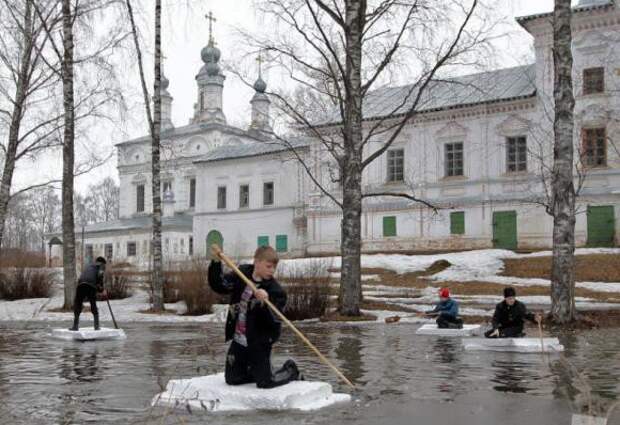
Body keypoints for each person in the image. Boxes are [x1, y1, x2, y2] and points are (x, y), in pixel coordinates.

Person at [208, 245, 302, 388]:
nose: (272, 271)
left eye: (274, 268)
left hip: (260, 341)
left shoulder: (276, 290)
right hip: (239, 339)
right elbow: (220, 285)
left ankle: (291, 371)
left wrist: (265, 301)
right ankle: (256, 370)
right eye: (268, 266)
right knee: (232, 379)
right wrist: (215, 263)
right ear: (257, 262)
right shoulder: (242, 274)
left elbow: (274, 319)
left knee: (265, 383)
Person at [70, 256, 107, 331]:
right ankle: (96, 326)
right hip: (90, 285)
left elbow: (85, 276)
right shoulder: (101, 266)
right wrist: (102, 289)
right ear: (103, 263)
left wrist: (100, 289)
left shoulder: (89, 265)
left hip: (80, 284)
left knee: (78, 304)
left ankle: (75, 326)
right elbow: (100, 276)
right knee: (93, 304)